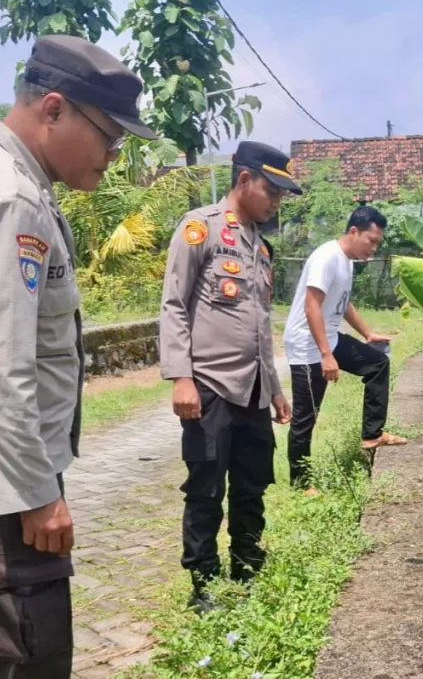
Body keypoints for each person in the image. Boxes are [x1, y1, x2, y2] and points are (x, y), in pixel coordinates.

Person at [0, 35, 156, 679]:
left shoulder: (9, 181)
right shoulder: (8, 197)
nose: (114, 156)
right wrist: (36, 495)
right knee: (24, 657)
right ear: (53, 109)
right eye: (109, 136)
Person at [159, 140, 297, 613]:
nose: (277, 201)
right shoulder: (202, 230)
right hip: (211, 386)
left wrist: (276, 389)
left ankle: (248, 568)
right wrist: (181, 377)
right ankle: (204, 585)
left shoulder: (261, 246)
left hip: (255, 391)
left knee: (252, 484)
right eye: (272, 190)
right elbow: (174, 304)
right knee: (205, 489)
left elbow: (260, 322)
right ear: (244, 180)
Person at [283, 205, 408, 491]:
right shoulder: (326, 257)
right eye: (372, 241)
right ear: (354, 231)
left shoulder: (346, 262)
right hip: (307, 345)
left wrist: (367, 333)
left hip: (330, 338)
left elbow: (343, 302)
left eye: (378, 243)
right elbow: (311, 304)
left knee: (377, 364)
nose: (374, 248)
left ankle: (372, 435)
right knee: (306, 418)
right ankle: (301, 484)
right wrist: (326, 355)